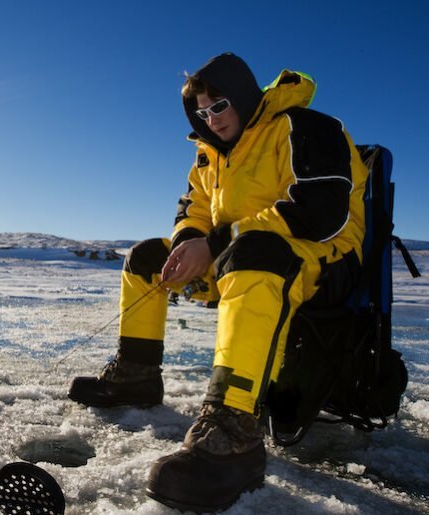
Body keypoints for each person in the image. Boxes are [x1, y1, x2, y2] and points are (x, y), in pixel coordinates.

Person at [68, 53, 367, 512]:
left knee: (255, 251)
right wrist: (189, 243)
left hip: (322, 259)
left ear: (245, 96)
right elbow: (193, 211)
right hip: (237, 254)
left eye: (220, 105)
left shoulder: (305, 126)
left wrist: (218, 242)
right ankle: (137, 376)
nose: (212, 118)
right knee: (148, 256)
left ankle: (234, 431)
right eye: (202, 112)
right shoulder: (209, 155)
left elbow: (321, 211)